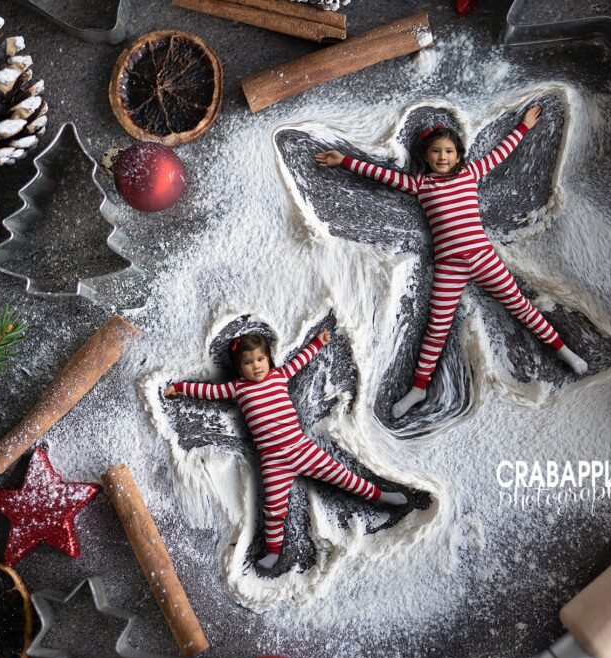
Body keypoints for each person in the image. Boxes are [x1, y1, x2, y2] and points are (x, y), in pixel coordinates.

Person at [315, 106, 587, 419]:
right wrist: (344, 161)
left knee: (521, 307)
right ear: (426, 156)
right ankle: (419, 388)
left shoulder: (471, 173)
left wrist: (523, 127)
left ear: (458, 156)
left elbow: (502, 153)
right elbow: (383, 176)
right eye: (436, 151)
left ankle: (563, 350)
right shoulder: (421, 185)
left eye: (448, 151)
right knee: (437, 328)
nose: (442, 157)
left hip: (484, 258)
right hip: (450, 268)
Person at [165, 330, 407, 569]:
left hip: (301, 448)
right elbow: (208, 392)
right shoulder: (238, 388)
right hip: (273, 462)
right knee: (274, 510)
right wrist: (179, 388)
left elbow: (300, 361)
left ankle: (379, 495)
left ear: (268, 360)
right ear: (239, 368)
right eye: (248, 363)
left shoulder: (279, 375)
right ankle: (273, 551)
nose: (256, 366)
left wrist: (318, 343)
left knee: (342, 475)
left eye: (260, 359)